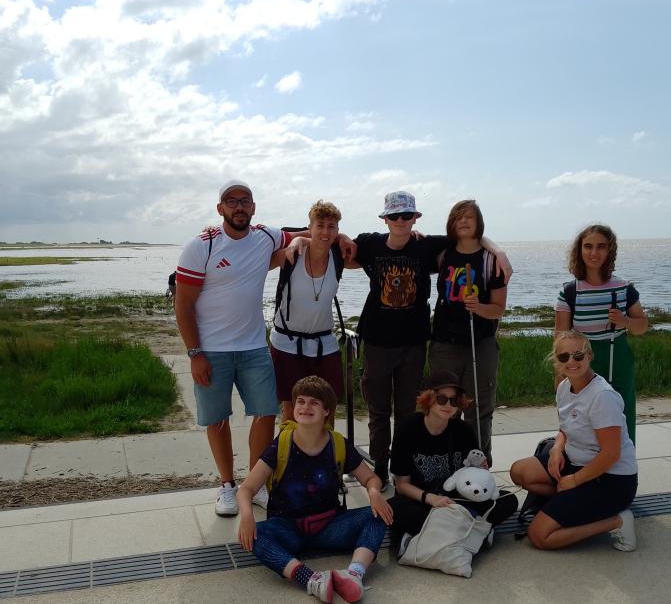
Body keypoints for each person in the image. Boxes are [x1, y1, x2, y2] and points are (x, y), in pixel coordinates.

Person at [348, 191, 512, 487]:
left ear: (415, 218)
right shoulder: (369, 243)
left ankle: (416, 466)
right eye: (394, 216)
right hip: (377, 341)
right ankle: (382, 466)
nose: (400, 221)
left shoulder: (428, 246)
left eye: (406, 215)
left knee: (411, 411)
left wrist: (498, 251)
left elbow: (469, 240)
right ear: (385, 218)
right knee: (379, 411)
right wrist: (300, 241)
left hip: (414, 343)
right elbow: (339, 248)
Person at [175, 179, 299, 516]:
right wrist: (194, 354)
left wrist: (342, 237)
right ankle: (227, 486)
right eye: (232, 201)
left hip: (254, 347)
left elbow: (307, 231)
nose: (239, 206)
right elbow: (183, 305)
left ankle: (253, 484)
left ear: (254, 207)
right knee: (217, 418)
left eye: (245, 200)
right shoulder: (202, 246)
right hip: (210, 350)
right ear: (220, 209)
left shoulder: (265, 236)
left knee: (266, 413)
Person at [237, 376, 392, 603]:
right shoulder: (281, 443)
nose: (305, 407)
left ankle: (353, 575)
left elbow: (371, 478)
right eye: (300, 401)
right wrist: (247, 515)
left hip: (330, 525)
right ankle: (310, 579)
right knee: (252, 536)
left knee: (379, 515)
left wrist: (374, 493)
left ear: (327, 411)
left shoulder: (338, 443)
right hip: (288, 527)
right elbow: (246, 488)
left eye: (314, 403)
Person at [509, 330, 638, 551]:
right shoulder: (564, 387)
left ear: (590, 356)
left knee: (539, 536)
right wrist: (557, 449)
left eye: (578, 356)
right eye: (563, 357)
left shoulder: (602, 396)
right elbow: (566, 428)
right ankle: (569, 503)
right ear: (556, 360)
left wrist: (575, 480)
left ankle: (617, 521)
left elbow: (611, 454)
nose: (571, 362)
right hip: (576, 464)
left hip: (611, 480)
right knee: (519, 471)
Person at [387, 370, 518, 553]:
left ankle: (435, 536)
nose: (448, 405)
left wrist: (480, 470)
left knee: (508, 500)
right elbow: (402, 485)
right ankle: (474, 532)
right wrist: (431, 498)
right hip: (423, 500)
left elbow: (474, 477)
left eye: (454, 400)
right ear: (429, 399)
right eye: (442, 399)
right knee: (394, 508)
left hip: (458, 500)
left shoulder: (462, 430)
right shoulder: (408, 429)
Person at [429, 200, 507, 465]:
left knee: (478, 408)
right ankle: (443, 464)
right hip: (444, 344)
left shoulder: (490, 260)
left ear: (478, 223)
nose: (463, 222)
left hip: (479, 343)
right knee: (442, 406)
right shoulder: (443, 253)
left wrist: (480, 307)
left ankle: (478, 465)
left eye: (469, 217)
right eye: (458, 217)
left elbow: (498, 309)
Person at [555, 224, 649, 443]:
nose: (594, 253)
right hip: (581, 362)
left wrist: (625, 321)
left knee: (621, 419)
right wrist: (559, 378)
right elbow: (560, 339)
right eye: (588, 246)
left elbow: (642, 325)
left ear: (610, 251)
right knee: (582, 422)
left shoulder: (624, 288)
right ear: (580, 251)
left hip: (618, 360)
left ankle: (623, 471)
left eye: (600, 247)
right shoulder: (570, 291)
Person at [269, 201, 345, 428]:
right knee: (292, 410)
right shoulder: (292, 254)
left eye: (332, 226)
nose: (325, 231)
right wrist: (297, 239)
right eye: (319, 225)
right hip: (287, 343)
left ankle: (325, 457)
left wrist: (345, 239)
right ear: (309, 228)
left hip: (324, 344)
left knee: (327, 408)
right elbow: (257, 253)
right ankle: (290, 459)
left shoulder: (340, 256)